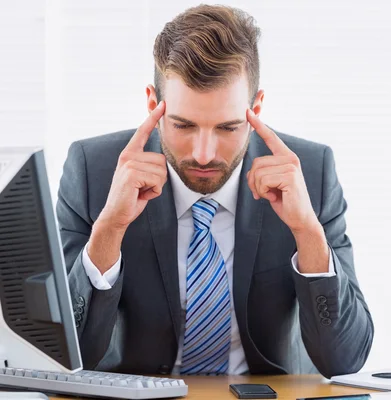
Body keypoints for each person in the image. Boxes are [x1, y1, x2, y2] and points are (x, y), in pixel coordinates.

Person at [57, 4, 373, 378]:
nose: (203, 154)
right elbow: (65, 358)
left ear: (256, 108)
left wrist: (308, 233)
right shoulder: (94, 170)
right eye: (183, 125)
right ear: (152, 105)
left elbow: (346, 359)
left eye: (227, 128)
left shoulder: (310, 172)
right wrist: (108, 230)